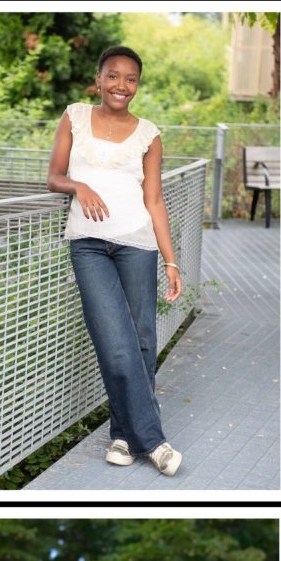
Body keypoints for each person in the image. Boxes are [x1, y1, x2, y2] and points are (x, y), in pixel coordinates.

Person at [47, 45, 183, 475]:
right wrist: (77, 188)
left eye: (130, 79)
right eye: (113, 76)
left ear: (137, 86)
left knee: (142, 341)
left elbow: (155, 200)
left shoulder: (150, 134)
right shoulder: (74, 116)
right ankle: (155, 441)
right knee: (114, 340)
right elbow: (52, 176)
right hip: (88, 243)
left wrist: (171, 261)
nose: (120, 85)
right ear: (99, 77)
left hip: (137, 242)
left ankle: (123, 437)